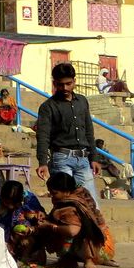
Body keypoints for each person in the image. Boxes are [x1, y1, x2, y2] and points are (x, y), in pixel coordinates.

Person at [36, 62, 100, 204]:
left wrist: (94, 157)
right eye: (60, 85)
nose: (65, 88)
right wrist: (42, 162)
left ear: (74, 81)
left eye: (68, 84)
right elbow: (43, 136)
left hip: (83, 159)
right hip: (61, 159)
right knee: (65, 202)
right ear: (54, 84)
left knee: (91, 204)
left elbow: (89, 131)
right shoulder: (48, 107)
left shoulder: (82, 102)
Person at [35, 172, 116, 268]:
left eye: (54, 193)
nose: (52, 196)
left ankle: (88, 261)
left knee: (57, 230)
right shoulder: (78, 194)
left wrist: (50, 226)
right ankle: (69, 260)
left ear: (66, 191)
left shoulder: (70, 206)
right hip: (102, 244)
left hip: (98, 247)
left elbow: (72, 230)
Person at [0, 180, 46, 262]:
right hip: (3, 234)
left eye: (14, 204)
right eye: (7, 203)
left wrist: (31, 229)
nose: (11, 207)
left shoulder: (29, 199)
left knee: (28, 243)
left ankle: (28, 256)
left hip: (27, 234)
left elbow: (41, 220)